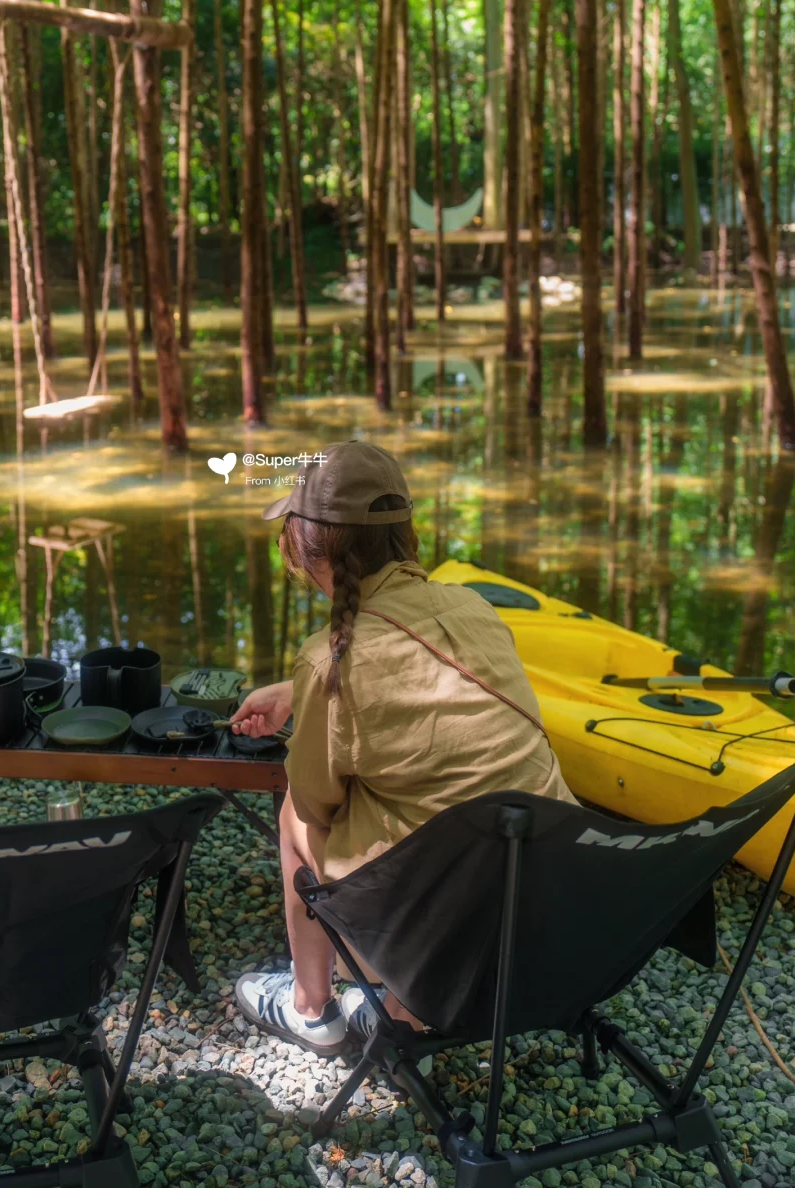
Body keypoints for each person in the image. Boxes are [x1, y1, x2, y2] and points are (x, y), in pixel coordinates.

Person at [230, 440, 576, 1056]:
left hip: (434, 927)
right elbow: (425, 691)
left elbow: (317, 804)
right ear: (404, 533)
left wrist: (312, 691)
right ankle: (401, 1011)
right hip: (546, 903)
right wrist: (300, 692)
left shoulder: (329, 658)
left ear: (310, 546)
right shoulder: (473, 606)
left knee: (296, 814)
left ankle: (312, 1008)